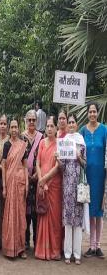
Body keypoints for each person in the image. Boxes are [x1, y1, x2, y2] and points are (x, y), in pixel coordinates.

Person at [80, 103, 107, 258]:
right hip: (87, 176)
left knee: (99, 210)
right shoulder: (82, 130)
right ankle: (91, 246)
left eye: (94, 111)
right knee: (90, 210)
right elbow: (78, 151)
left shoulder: (104, 130)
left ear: (97, 113)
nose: (92, 114)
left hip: (101, 176)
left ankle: (98, 246)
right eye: (90, 111)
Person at [59, 113, 86, 265]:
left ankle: (77, 254)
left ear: (76, 124)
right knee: (68, 220)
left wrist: (78, 156)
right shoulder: (64, 142)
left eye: (72, 122)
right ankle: (68, 253)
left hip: (78, 186)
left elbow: (85, 164)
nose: (70, 124)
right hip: (67, 185)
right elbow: (62, 167)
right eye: (68, 122)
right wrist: (58, 159)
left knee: (78, 221)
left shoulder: (81, 141)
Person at [34, 116, 62, 261]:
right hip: (42, 184)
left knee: (54, 218)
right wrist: (40, 180)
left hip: (54, 185)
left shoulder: (60, 145)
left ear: (57, 128)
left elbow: (58, 167)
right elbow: (37, 163)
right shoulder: (42, 143)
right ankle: (42, 250)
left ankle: (55, 250)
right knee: (43, 215)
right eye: (48, 126)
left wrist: (45, 180)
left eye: (52, 126)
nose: (50, 129)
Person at [2, 119, 29, 259]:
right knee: (10, 216)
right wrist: (4, 187)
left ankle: (21, 248)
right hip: (10, 183)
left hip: (20, 184)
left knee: (20, 216)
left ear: (19, 128)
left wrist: (27, 184)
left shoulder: (23, 145)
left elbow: (25, 166)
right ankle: (10, 248)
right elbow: (4, 166)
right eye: (11, 127)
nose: (13, 129)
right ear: (9, 129)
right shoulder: (6, 145)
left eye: (15, 127)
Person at [22, 110, 43, 250]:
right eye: (29, 120)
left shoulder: (41, 138)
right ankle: (25, 241)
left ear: (36, 121)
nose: (31, 122)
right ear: (25, 121)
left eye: (33, 120)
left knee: (36, 212)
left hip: (37, 179)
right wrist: (25, 175)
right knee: (25, 212)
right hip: (24, 180)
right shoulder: (21, 137)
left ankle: (36, 241)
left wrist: (37, 175)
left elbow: (44, 157)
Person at [0, 115, 9, 250]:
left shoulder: (11, 141)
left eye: (5, 124)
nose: (3, 126)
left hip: (9, 180)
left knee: (7, 212)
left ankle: (7, 240)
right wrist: (1, 167)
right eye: (1, 123)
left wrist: (5, 168)